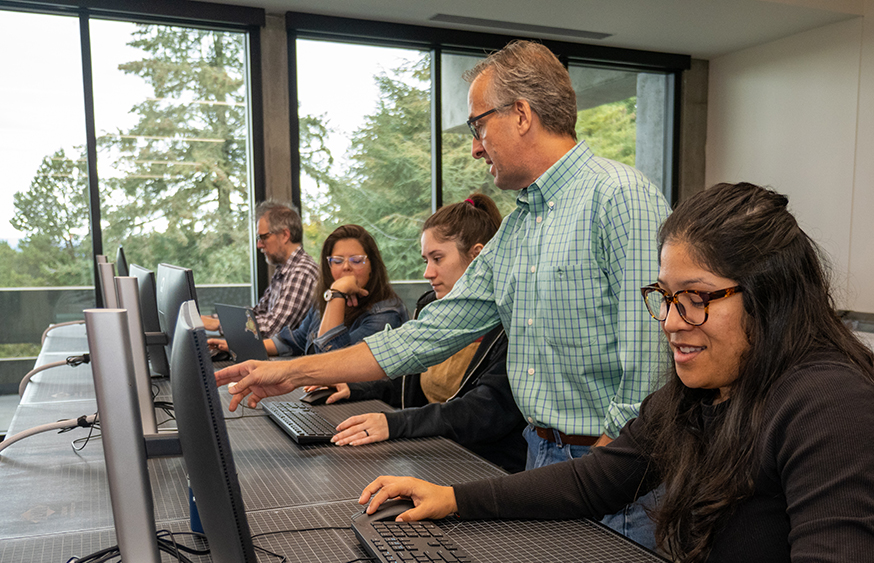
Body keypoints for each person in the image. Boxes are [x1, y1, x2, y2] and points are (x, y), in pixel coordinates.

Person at [218, 40, 669, 547]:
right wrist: (291, 370)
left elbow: (652, 368)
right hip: (541, 457)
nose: (475, 146)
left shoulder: (619, 196)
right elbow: (426, 335)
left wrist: (605, 471)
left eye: (478, 124)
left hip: (612, 469)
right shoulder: (519, 225)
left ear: (521, 114)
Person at [357, 183, 874, 563]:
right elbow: (595, 480)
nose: (673, 322)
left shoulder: (832, 409)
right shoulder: (702, 393)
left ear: (770, 297)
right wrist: (454, 497)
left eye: (697, 298)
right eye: (667, 297)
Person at [322, 194, 527, 474]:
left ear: (478, 257)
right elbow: (410, 383)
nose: (428, 272)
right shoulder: (431, 306)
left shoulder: (513, 319)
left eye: (438, 258)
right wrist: (354, 387)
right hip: (436, 455)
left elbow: (483, 412)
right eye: (425, 260)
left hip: (486, 469)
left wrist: (395, 424)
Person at [210, 224, 408, 357]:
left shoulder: (385, 314)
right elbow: (293, 341)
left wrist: (337, 294)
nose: (346, 267)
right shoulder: (324, 301)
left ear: (373, 267)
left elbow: (331, 363)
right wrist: (242, 347)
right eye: (337, 261)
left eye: (356, 261)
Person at [202, 200, 318, 339]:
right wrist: (211, 318)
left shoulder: (302, 272)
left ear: (285, 235)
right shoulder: (285, 269)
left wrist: (218, 324)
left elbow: (273, 328)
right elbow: (257, 312)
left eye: (263, 237)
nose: (259, 245)